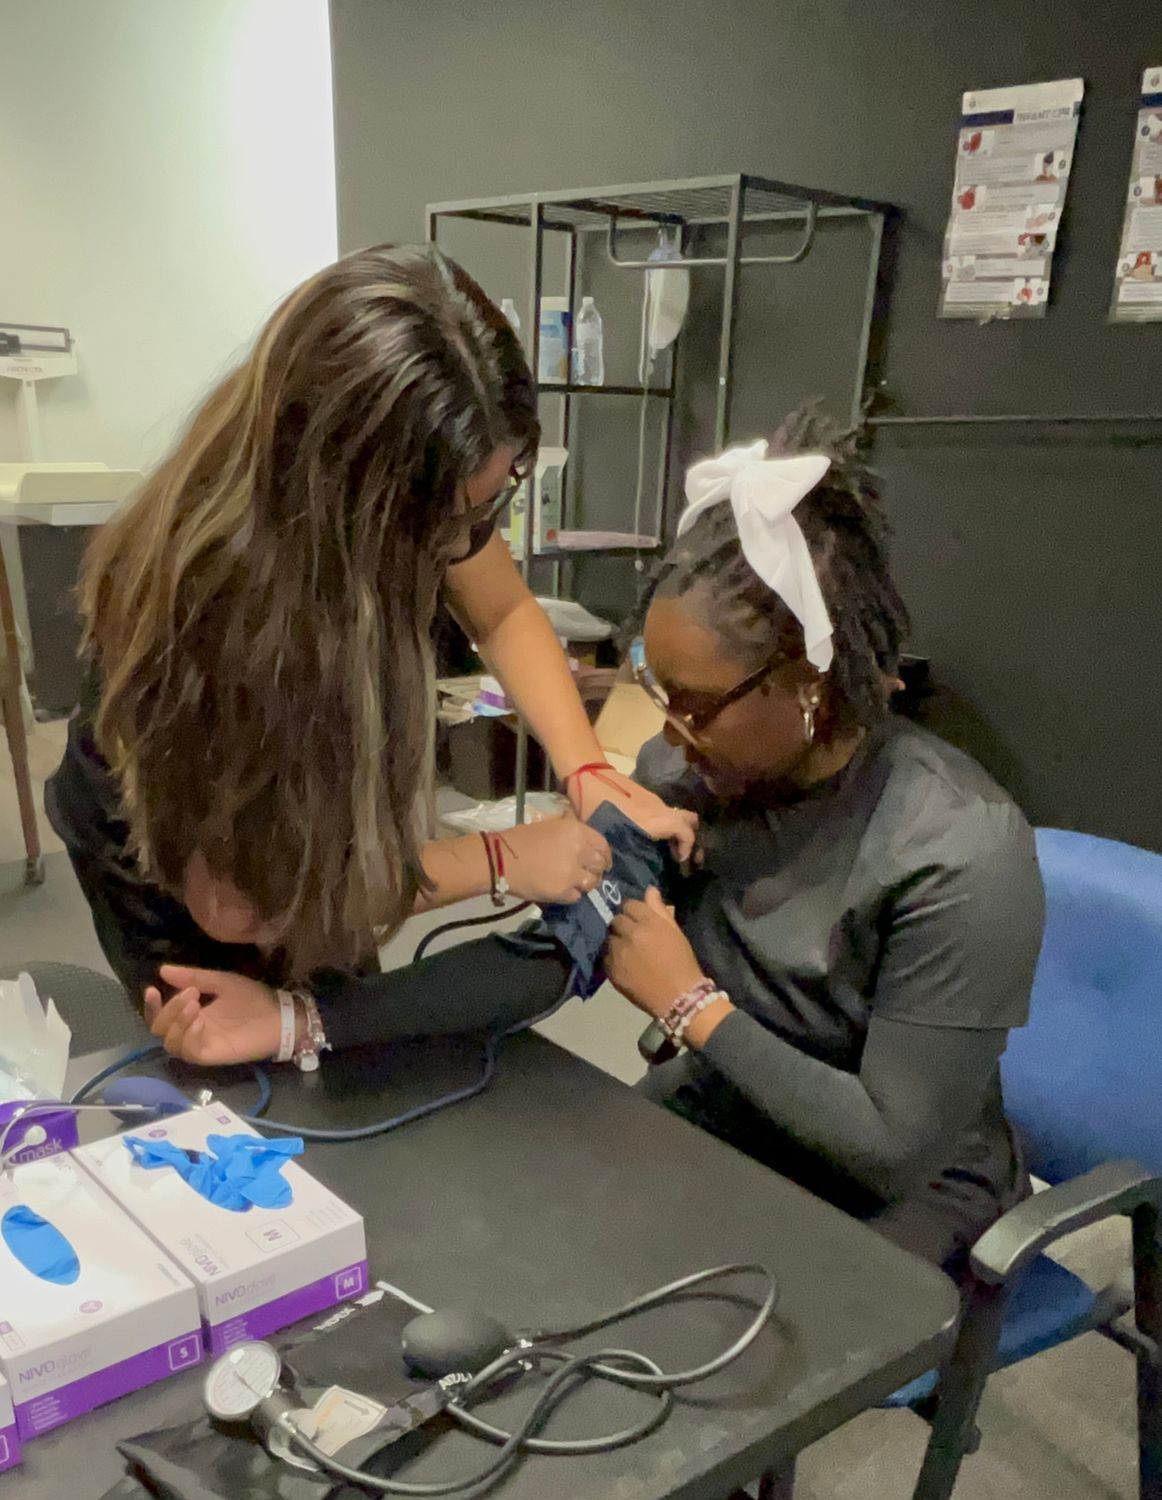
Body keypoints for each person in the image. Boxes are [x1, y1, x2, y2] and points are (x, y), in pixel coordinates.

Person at [47, 244, 692, 1061]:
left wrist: (587, 770)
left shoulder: (420, 477)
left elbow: (500, 610)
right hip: (180, 862)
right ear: (363, 509)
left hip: (282, 844)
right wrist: (501, 858)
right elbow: (243, 907)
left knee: (335, 1021)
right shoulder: (218, 610)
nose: (471, 539)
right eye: (458, 517)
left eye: (492, 503)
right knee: (237, 1075)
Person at [604, 419, 1045, 1286]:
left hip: (905, 1178)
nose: (667, 731)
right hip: (741, 1101)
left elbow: (890, 1147)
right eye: (657, 689)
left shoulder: (956, 854)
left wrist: (691, 1006)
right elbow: (584, 936)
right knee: (570, 1221)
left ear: (808, 682)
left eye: (694, 703)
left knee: (732, 1335)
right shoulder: (688, 771)